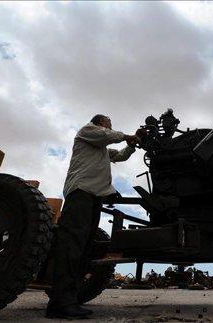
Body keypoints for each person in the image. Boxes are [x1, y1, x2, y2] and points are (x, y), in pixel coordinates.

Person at [46, 115, 142, 319]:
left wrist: (132, 144)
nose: (111, 126)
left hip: (94, 195)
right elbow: (106, 135)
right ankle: (59, 303)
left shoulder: (100, 150)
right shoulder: (87, 131)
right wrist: (127, 135)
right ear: (100, 123)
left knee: (83, 248)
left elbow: (121, 155)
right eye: (109, 123)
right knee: (72, 245)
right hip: (81, 192)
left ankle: (68, 300)